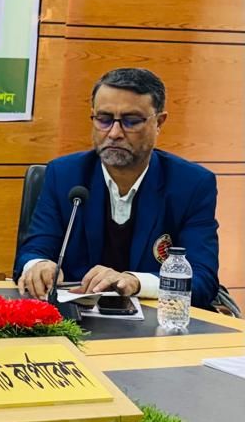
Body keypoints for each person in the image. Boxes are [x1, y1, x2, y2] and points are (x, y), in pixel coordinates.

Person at [16, 68, 219, 308]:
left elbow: (202, 279)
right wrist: (37, 266)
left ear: (159, 122)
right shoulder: (64, 175)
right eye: (104, 119)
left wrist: (135, 282)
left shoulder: (191, 184)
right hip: (73, 318)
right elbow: (32, 252)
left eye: (131, 121)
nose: (114, 133)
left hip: (154, 324)